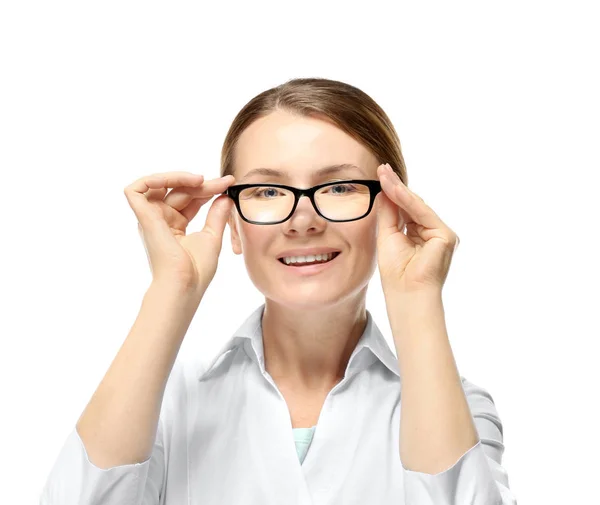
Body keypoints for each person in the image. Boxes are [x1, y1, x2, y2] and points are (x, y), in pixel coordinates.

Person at [40, 77, 517, 504]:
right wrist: (171, 289)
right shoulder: (165, 399)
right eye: (267, 193)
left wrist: (416, 297)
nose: (302, 221)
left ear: (394, 208)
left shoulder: (458, 407)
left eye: (339, 187)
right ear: (232, 224)